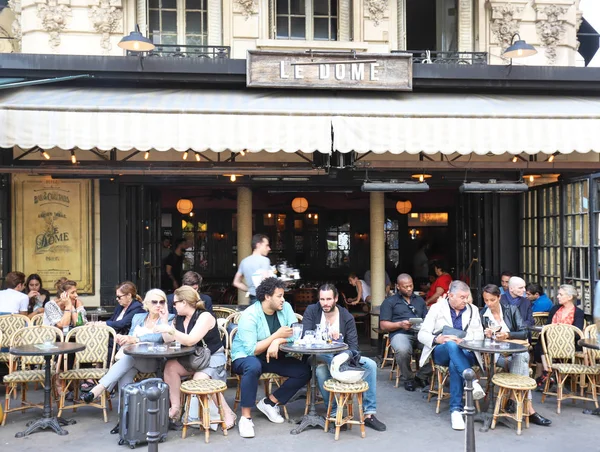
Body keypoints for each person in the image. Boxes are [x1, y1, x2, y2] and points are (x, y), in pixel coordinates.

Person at [81, 289, 175, 433]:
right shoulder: (138, 317)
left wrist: (136, 339)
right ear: (146, 304)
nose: (158, 305)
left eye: (162, 302)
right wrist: (123, 339)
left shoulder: (169, 318)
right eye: (154, 302)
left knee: (127, 359)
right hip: (133, 360)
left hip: (153, 362)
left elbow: (159, 339)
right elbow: (130, 338)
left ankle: (99, 388)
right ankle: (123, 420)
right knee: (125, 373)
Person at [230, 277, 311, 439]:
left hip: (271, 356)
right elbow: (252, 349)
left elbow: (296, 333)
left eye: (283, 295)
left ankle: (270, 402)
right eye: (279, 296)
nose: (283, 299)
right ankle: (245, 418)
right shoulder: (250, 315)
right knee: (253, 366)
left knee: (304, 371)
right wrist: (276, 335)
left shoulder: (285, 307)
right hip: (245, 357)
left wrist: (278, 341)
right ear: (267, 297)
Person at [303, 283, 386, 432]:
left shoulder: (346, 316)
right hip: (318, 356)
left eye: (329, 299)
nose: (325, 303)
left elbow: (354, 347)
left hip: (343, 357)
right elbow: (305, 337)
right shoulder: (312, 310)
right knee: (322, 369)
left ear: (335, 299)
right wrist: (325, 336)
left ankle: (369, 414)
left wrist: (342, 351)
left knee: (371, 365)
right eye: (322, 299)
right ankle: (335, 413)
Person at [155, 286, 236, 429]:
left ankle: (227, 413)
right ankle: (176, 409)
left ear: (184, 302)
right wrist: (164, 321)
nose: (173, 306)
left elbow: (191, 340)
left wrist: (171, 330)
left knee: (199, 379)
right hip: (194, 358)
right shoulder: (179, 318)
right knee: (170, 367)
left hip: (212, 358)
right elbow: (168, 339)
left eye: (175, 303)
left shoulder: (204, 316)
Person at [479, 284, 551, 427]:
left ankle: (513, 399)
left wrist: (508, 334)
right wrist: (485, 335)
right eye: (486, 300)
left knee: (521, 357)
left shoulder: (511, 310)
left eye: (492, 300)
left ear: (499, 297)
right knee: (523, 358)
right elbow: (477, 339)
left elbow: (525, 332)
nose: (489, 304)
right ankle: (528, 410)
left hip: (514, 354)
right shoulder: (483, 315)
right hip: (496, 357)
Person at [418, 280, 486, 431]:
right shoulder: (436, 308)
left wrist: (463, 340)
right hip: (441, 351)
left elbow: (480, 335)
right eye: (462, 297)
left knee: (454, 364)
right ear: (451, 295)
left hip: (466, 351)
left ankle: (455, 411)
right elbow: (422, 334)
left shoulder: (473, 309)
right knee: (450, 344)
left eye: (467, 297)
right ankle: (472, 382)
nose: (466, 300)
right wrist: (437, 339)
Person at [380, 274, 431, 392]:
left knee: (435, 347)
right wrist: (400, 324)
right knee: (402, 349)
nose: (409, 289)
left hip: (420, 333)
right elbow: (383, 325)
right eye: (405, 287)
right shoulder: (389, 302)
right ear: (398, 286)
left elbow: (427, 319)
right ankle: (409, 378)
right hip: (400, 333)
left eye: (411, 286)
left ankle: (421, 376)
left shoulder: (419, 300)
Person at [535, 284, 585, 389]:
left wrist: (560, 334)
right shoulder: (555, 309)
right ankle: (548, 370)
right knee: (541, 339)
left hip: (569, 343)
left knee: (543, 343)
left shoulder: (578, 312)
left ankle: (547, 373)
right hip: (550, 341)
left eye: (560, 294)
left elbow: (577, 332)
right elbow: (548, 325)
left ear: (570, 297)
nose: (557, 296)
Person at [232, 233, 272, 304]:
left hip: (252, 299)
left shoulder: (244, 262)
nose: (269, 248)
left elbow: (236, 282)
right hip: (265, 299)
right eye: (266, 245)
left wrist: (250, 289)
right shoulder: (264, 260)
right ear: (258, 245)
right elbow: (265, 280)